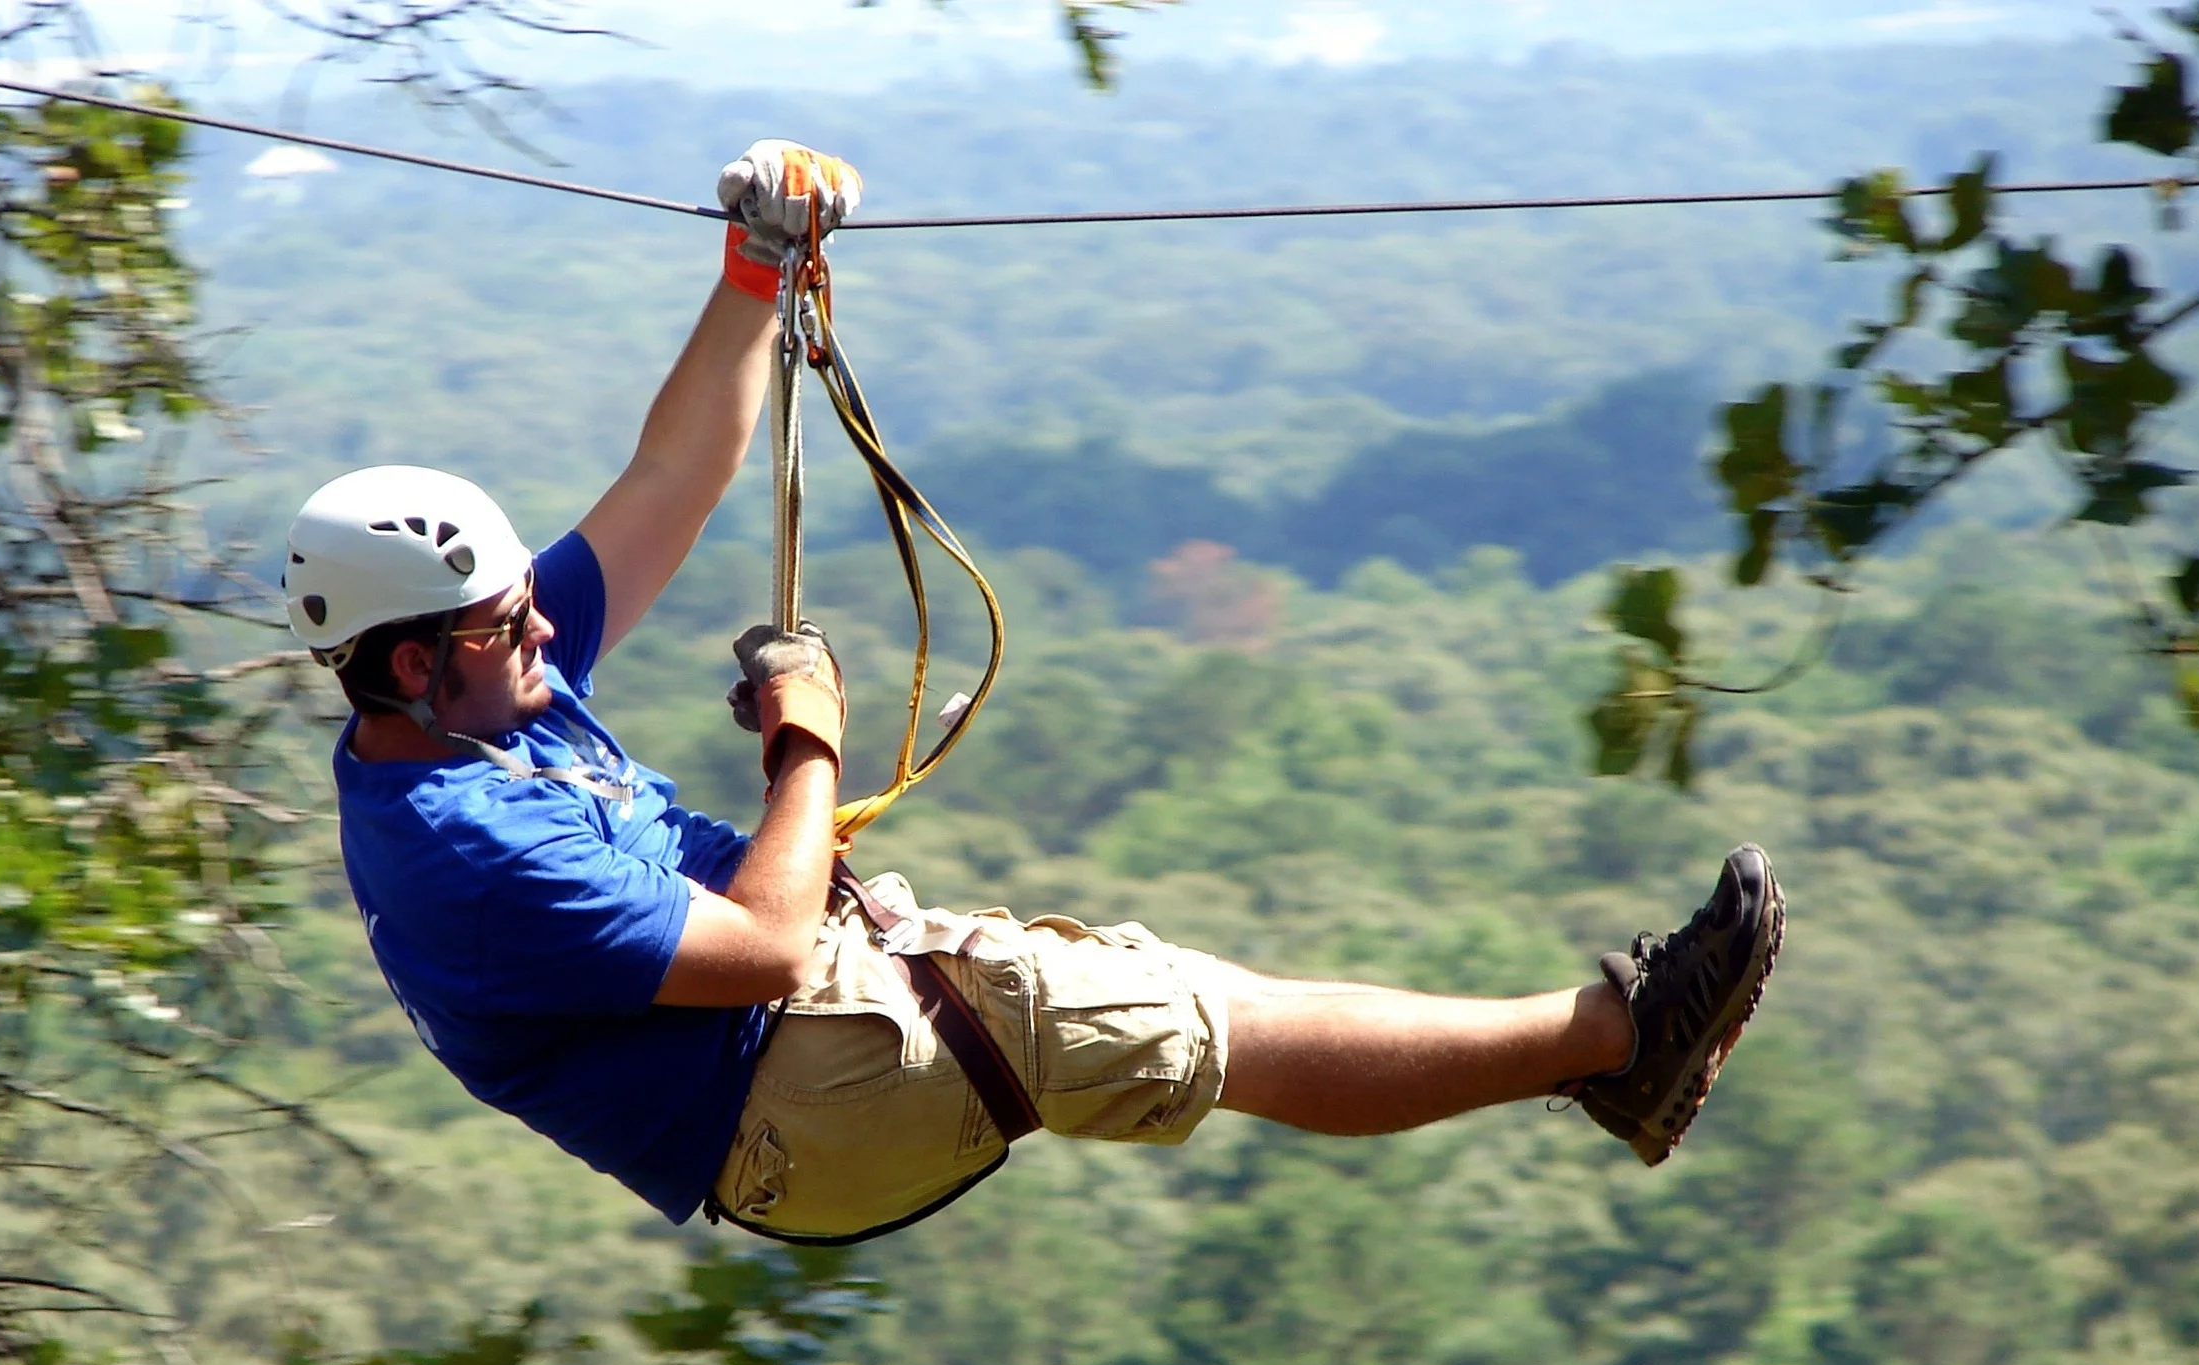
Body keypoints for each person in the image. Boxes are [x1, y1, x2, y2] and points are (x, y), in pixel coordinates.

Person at [285, 141, 1785, 1243]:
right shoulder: (462, 849)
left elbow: (670, 479)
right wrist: (809, 755)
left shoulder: (486, 695)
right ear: (412, 661)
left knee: (1206, 1002)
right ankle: (1618, 1042)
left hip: (805, 1051)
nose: (542, 620)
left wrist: (753, 273)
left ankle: (1610, 1043)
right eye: (502, 621)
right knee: (1204, 1020)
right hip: (790, 1101)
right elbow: (752, 949)